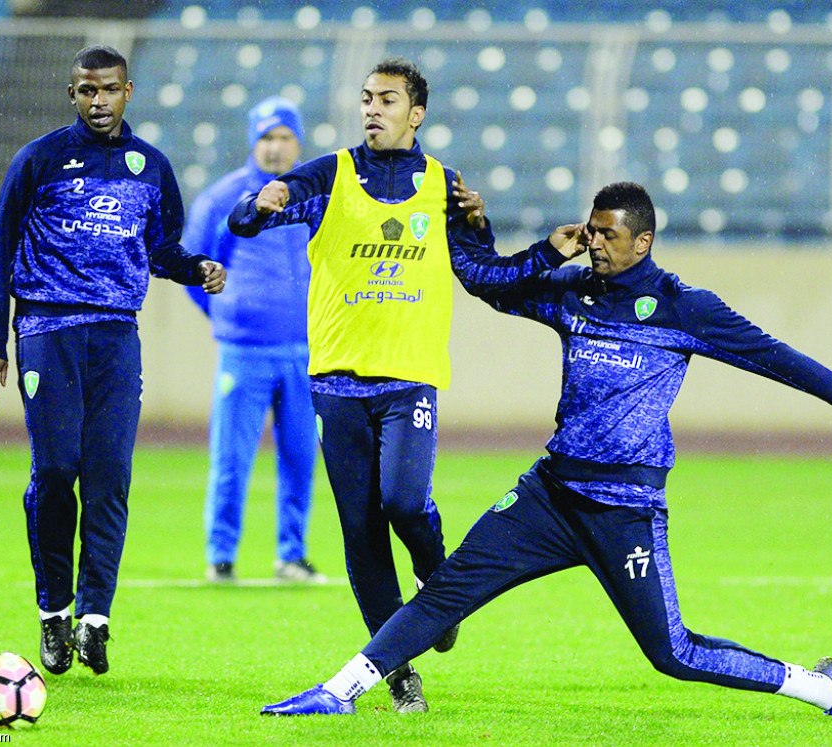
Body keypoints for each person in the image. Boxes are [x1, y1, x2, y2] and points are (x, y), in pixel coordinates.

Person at [260, 181, 832, 717]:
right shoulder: (574, 291)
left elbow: (778, 358)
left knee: (672, 653)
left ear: (643, 240)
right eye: (592, 230)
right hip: (549, 496)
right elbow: (489, 284)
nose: (596, 243)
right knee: (446, 591)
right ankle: (338, 691)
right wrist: (477, 228)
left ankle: (824, 688)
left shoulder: (684, 307)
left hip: (625, 510)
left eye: (608, 234)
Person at [228, 57, 576, 711]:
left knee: (405, 502)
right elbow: (244, 224)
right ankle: (399, 673)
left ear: (416, 113)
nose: (372, 108)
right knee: (362, 537)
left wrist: (548, 252)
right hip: (336, 383)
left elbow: (484, 276)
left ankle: (435, 584)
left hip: (409, 381)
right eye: (366, 98)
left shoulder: (444, 188)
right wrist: (257, 203)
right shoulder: (326, 175)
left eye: (386, 99)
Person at [0, 45, 226, 677]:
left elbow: (161, 250)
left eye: (109, 89)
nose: (98, 100)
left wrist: (196, 267)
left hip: (116, 336)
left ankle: (94, 619)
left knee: (110, 476)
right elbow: (0, 247)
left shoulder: (152, 167)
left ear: (127, 91)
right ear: (72, 94)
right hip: (47, 329)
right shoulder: (38, 159)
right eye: (87, 90)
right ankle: (54, 612)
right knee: (57, 470)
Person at [184, 97, 325, 585]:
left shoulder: (314, 196)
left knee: (302, 459)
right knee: (232, 458)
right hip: (244, 351)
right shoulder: (224, 198)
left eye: (284, 137)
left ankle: (293, 554)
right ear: (253, 141)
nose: (275, 147)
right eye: (266, 137)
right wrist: (227, 313)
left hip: (307, 352)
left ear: (298, 142)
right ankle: (221, 555)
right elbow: (192, 266)